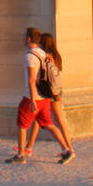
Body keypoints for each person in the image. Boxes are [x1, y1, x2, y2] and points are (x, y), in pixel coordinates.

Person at [5, 27, 69, 164]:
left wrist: (32, 99)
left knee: (22, 125)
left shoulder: (29, 56)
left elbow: (31, 79)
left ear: (28, 39)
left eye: (25, 36)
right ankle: (66, 150)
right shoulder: (43, 53)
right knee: (49, 124)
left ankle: (21, 154)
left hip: (31, 97)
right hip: (45, 97)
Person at [23, 32, 75, 164]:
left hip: (50, 92)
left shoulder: (47, 56)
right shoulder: (56, 55)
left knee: (53, 120)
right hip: (56, 90)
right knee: (43, 119)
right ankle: (29, 147)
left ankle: (69, 148)